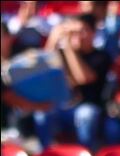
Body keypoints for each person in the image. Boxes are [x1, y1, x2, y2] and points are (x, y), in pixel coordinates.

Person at [33, 13, 112, 149]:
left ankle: (85, 155)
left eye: (83, 31)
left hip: (88, 107)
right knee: (42, 113)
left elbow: (83, 78)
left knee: (86, 114)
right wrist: (53, 39)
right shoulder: (62, 53)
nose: (78, 36)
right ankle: (44, 155)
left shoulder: (101, 56)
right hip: (63, 108)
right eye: (74, 32)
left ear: (93, 33)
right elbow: (42, 70)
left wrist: (69, 48)